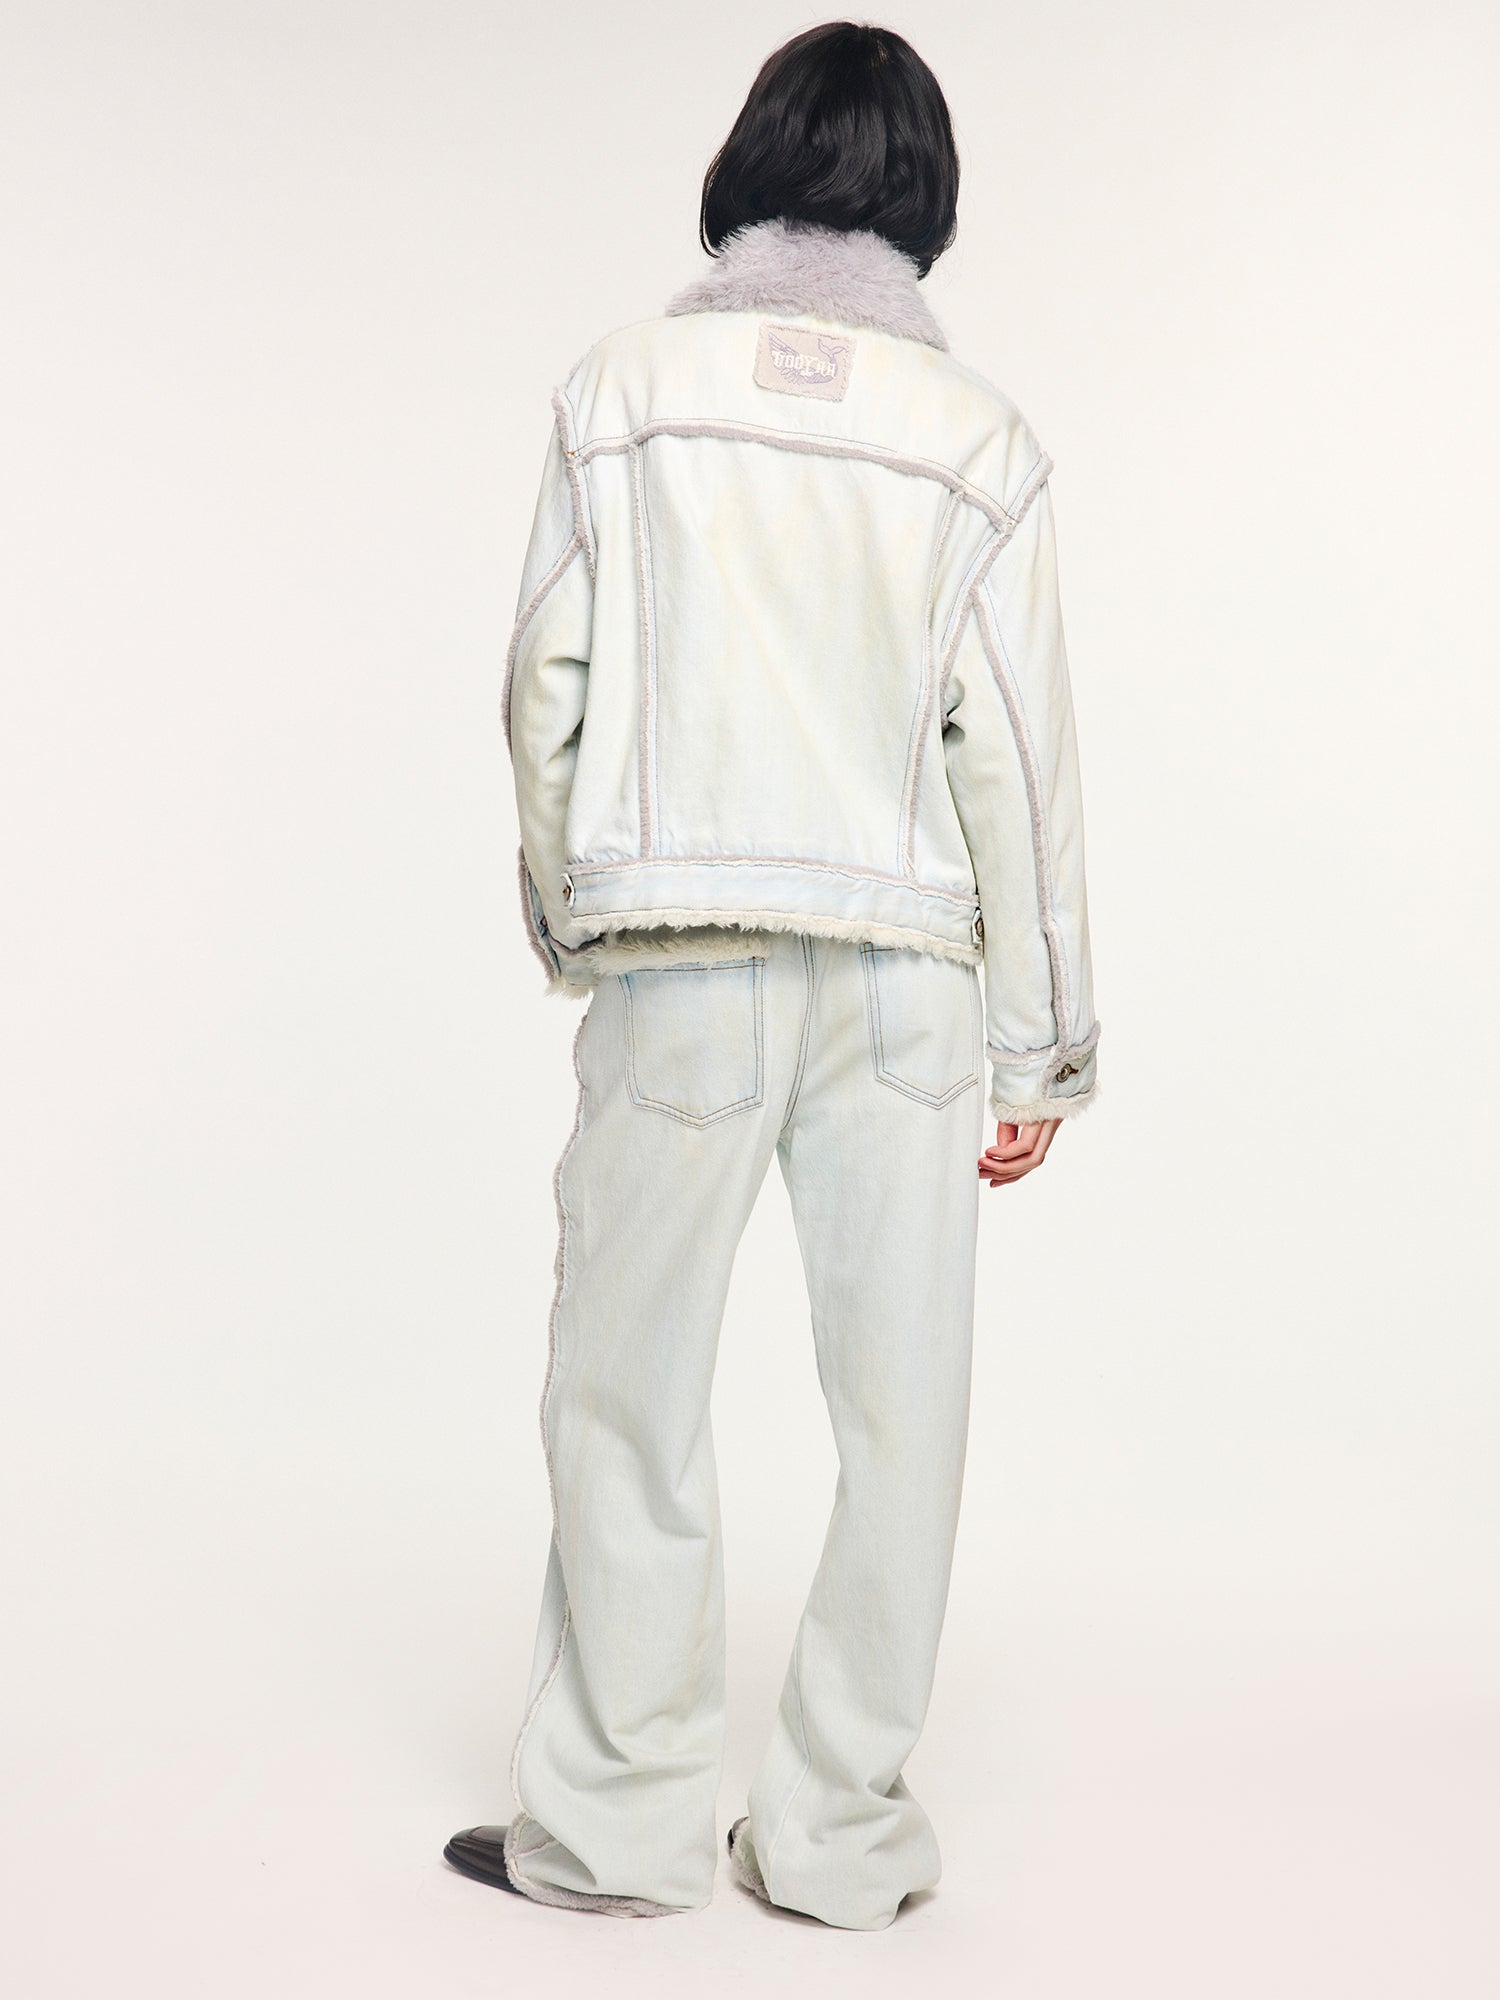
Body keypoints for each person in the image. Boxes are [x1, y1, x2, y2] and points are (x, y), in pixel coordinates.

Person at [444, 19, 1100, 1932]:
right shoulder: (979, 440)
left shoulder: (621, 393)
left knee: (625, 1393)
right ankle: (836, 1842)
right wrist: (1040, 1054)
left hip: (686, 969)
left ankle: (619, 1829)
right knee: (904, 1418)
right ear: (924, 200)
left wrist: (577, 918)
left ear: (749, 167)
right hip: (911, 986)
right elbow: (1023, 762)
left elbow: (541, 687)